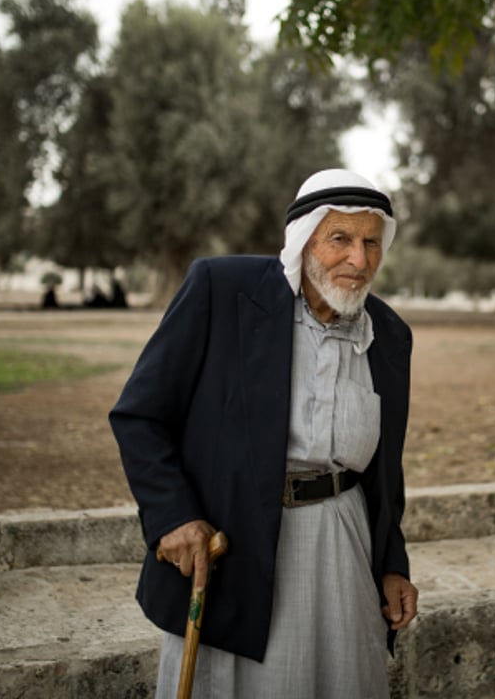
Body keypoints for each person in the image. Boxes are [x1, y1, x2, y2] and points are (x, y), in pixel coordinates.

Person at [110, 169, 418, 698]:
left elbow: (385, 468)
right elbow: (141, 416)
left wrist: (391, 563)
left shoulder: (388, 335)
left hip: (343, 546)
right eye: (339, 239)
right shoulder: (222, 291)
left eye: (371, 242)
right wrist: (173, 516)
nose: (359, 260)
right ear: (302, 241)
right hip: (238, 541)